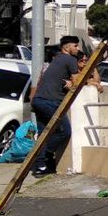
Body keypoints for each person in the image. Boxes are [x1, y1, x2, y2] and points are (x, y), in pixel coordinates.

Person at [30, 35, 81, 177]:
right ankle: (45, 154)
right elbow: (77, 83)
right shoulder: (70, 60)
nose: (78, 49)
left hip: (38, 101)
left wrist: (66, 83)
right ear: (66, 47)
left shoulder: (57, 59)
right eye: (75, 46)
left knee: (43, 134)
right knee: (64, 131)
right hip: (50, 101)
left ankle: (40, 166)